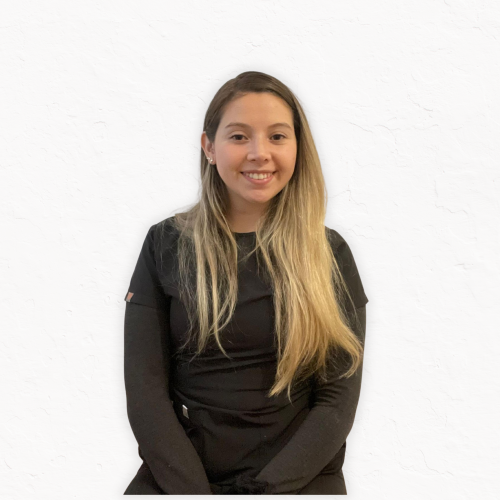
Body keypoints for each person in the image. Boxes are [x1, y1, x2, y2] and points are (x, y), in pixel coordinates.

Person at [122, 71, 369, 495]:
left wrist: (263, 493)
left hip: (296, 480)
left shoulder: (329, 254)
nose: (260, 153)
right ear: (209, 147)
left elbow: (336, 404)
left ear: (297, 148)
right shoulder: (165, 244)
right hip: (182, 479)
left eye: (277, 136)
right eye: (239, 137)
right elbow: (146, 395)